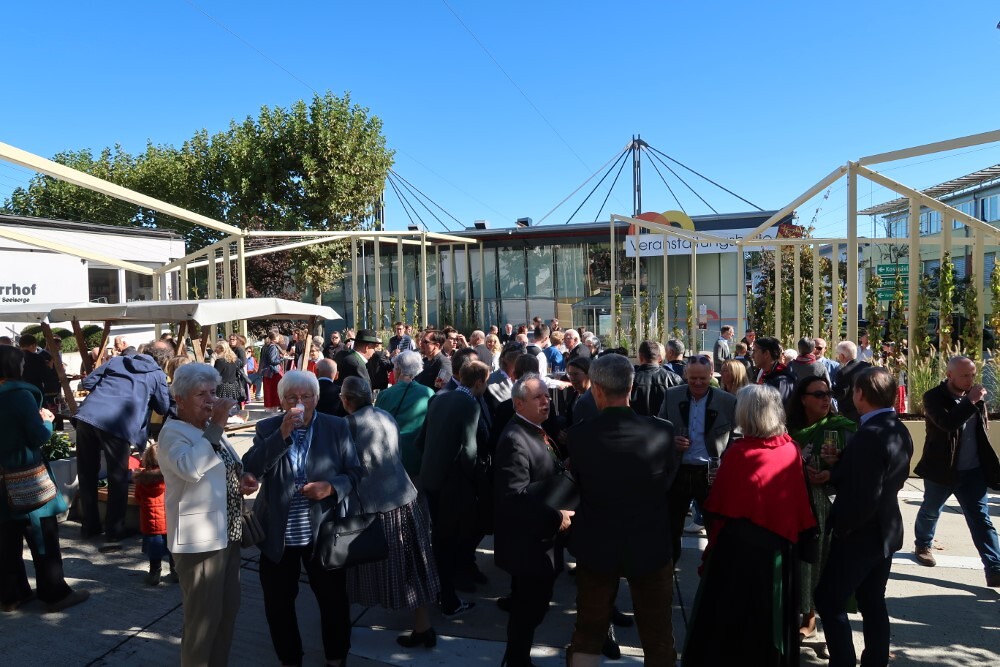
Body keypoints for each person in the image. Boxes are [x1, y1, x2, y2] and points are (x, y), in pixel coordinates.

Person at [684, 384, 818, 667]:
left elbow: (719, 507)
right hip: (780, 550)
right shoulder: (790, 448)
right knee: (772, 620)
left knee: (736, 620)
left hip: (740, 553)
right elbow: (798, 503)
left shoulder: (739, 453)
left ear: (746, 415)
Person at [242, 371, 363, 667]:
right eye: (292, 397)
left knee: (333, 600)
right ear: (282, 400)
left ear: (316, 399)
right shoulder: (268, 427)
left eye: (306, 396)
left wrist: (330, 487)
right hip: (279, 533)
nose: (300, 403)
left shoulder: (336, 426)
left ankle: (336, 658)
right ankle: (290, 659)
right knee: (278, 604)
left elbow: (355, 472)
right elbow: (252, 468)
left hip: (323, 532)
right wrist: (281, 434)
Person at [566, 354, 679, 666]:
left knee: (588, 631)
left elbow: (578, 485)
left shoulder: (580, 435)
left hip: (598, 545)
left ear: (597, 389)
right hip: (650, 544)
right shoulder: (662, 431)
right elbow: (667, 482)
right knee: (658, 635)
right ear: (631, 387)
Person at [814, 367, 913, 667]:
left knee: (829, 599)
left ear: (860, 394)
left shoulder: (871, 433)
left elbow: (868, 493)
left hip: (862, 533)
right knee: (871, 601)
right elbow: (881, 475)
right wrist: (839, 467)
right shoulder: (896, 427)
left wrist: (845, 529)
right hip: (884, 530)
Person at [158, 363, 253, 666]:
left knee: (226, 613)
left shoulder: (207, 428)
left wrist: (241, 479)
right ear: (180, 399)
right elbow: (191, 468)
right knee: (202, 622)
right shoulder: (174, 433)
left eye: (213, 392)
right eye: (201, 395)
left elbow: (222, 464)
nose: (211, 400)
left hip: (227, 534)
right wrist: (218, 425)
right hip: (200, 543)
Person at [339, 377, 441, 650]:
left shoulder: (346, 426)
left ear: (346, 400)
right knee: (412, 565)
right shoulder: (385, 416)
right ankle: (423, 626)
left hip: (372, 506)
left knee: (348, 569)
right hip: (404, 497)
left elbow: (344, 468)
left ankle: (339, 628)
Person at [0, 346, 89, 614]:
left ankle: (11, 596)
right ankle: (54, 594)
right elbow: (38, 436)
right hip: (27, 477)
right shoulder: (20, 396)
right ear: (16, 367)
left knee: (7, 540)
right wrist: (48, 421)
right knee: (43, 537)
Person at [494, 374, 574, 667]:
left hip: (539, 541)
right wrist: (556, 517)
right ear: (519, 404)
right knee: (530, 609)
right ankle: (516, 660)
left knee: (531, 606)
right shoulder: (515, 439)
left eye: (546, 396)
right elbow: (514, 496)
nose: (546, 402)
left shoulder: (535, 429)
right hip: (529, 545)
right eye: (538, 397)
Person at [912, 356, 1000, 586]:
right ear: (949, 375)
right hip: (942, 469)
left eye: (972, 375)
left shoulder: (975, 397)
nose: (970, 380)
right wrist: (970, 401)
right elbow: (948, 423)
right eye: (964, 376)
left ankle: (994, 567)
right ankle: (923, 544)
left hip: (973, 471)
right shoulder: (933, 397)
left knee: (981, 519)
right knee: (931, 510)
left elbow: (981, 430)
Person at [74, 345, 170, 545]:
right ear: (164, 360)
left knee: (86, 472)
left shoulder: (117, 361)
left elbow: (88, 382)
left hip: (87, 416)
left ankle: (89, 526)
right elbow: (163, 407)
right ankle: (114, 530)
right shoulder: (156, 374)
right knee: (117, 477)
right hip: (117, 424)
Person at [416, 361, 490, 617]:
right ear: (479, 382)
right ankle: (447, 597)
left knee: (438, 537)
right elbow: (469, 450)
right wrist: (474, 480)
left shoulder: (439, 398)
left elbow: (420, 440)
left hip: (430, 477)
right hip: (451, 482)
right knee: (448, 540)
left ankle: (439, 589)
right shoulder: (470, 404)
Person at [786, 375, 857, 637]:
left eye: (828, 394)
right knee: (803, 563)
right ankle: (808, 616)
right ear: (803, 399)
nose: (826, 399)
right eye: (818, 395)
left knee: (827, 563)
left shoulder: (843, 428)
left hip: (829, 505)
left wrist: (833, 470)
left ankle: (827, 623)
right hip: (797, 503)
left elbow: (857, 470)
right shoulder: (788, 430)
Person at [658, 354, 737, 561]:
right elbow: (659, 429)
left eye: (703, 378)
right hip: (679, 471)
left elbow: (736, 438)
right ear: (685, 375)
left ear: (711, 375)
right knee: (670, 530)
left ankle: (714, 573)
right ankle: (668, 572)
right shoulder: (672, 396)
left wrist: (724, 465)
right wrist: (671, 440)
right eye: (693, 378)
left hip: (710, 474)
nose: (698, 383)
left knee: (716, 530)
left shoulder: (727, 401)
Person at [375, 351, 436, 479]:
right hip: (417, 457)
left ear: (398, 369)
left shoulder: (385, 394)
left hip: (391, 455)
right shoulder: (429, 393)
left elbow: (376, 425)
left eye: (394, 367)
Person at [134, 443, 177, 586]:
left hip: (150, 523)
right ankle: (176, 571)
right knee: (173, 548)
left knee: (154, 551)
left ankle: (154, 573)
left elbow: (138, 497)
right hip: (169, 521)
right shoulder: (170, 477)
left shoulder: (142, 479)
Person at [631, 339, 682, 416]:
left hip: (637, 423)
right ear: (660, 358)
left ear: (640, 358)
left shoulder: (629, 380)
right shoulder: (674, 379)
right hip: (665, 423)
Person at [832, 340, 869, 423]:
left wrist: (830, 390)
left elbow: (841, 394)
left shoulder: (843, 372)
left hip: (849, 415)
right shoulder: (868, 367)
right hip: (868, 411)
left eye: (838, 354)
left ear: (842, 356)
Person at [752, 336, 796, 405]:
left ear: (766, 354)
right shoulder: (768, 374)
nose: (752, 356)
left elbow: (779, 408)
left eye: (754, 351)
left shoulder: (782, 380)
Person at [260, 331, 284, 412]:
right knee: (274, 392)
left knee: (268, 392)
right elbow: (272, 360)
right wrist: (282, 359)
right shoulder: (273, 347)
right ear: (275, 337)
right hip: (273, 372)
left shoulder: (265, 347)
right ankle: (273, 409)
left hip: (266, 372)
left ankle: (269, 409)